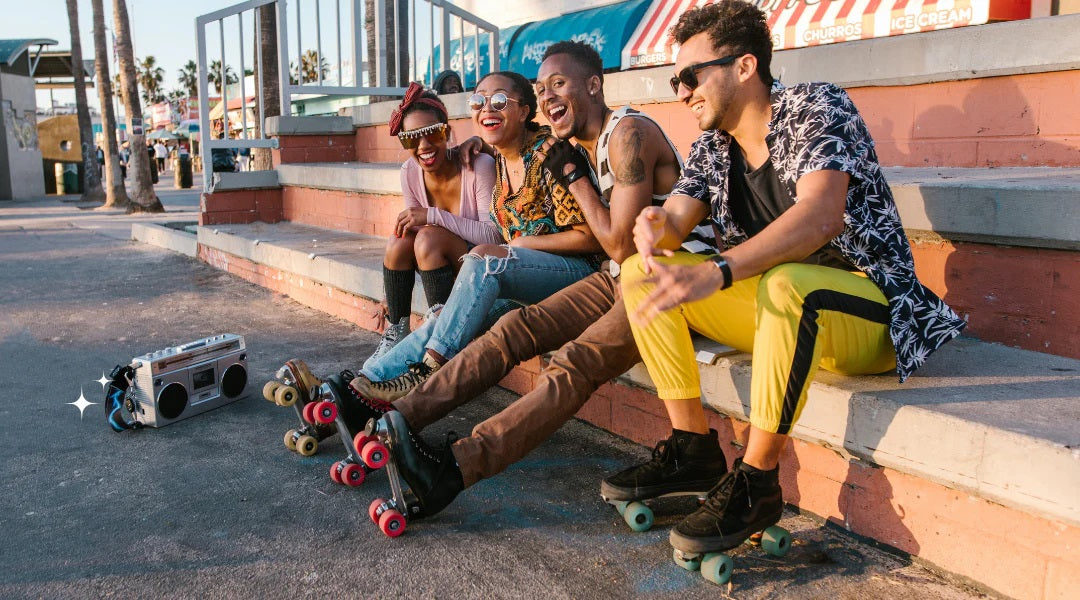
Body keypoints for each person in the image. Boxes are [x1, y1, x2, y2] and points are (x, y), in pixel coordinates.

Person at [619, 1, 966, 557]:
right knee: (639, 275)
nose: (681, 92)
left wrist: (722, 269)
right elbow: (676, 219)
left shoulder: (815, 106)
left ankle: (757, 481)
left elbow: (822, 215)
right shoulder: (715, 144)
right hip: (786, 316)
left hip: (871, 312)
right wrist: (655, 227)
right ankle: (692, 449)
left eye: (690, 76)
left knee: (788, 284)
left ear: (744, 67)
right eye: (674, 80)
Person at [363, 41, 719, 521]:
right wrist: (475, 142)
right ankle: (397, 421)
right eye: (541, 88)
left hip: (667, 283)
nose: (549, 97)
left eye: (560, 84)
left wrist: (573, 178)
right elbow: (518, 136)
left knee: (572, 365)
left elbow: (616, 245)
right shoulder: (577, 143)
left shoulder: (628, 133)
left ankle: (450, 472)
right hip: (618, 280)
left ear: (594, 85)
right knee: (513, 329)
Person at [351, 70, 603, 401]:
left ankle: (429, 370)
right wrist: (479, 141)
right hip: (519, 277)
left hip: (574, 274)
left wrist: (522, 244)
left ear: (524, 110)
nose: (487, 108)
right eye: (478, 101)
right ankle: (361, 386)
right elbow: (490, 142)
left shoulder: (551, 155)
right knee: (441, 319)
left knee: (484, 258)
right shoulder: (498, 159)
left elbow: (590, 239)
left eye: (499, 100)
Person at [368, 82, 502, 365]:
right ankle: (397, 331)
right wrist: (389, 297)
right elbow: (409, 233)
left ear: (448, 132)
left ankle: (442, 336)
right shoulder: (410, 172)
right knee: (400, 238)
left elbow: (493, 236)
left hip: (477, 270)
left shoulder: (478, 166)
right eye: (411, 139)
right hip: (435, 269)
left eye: (433, 133)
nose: (424, 146)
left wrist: (432, 215)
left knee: (428, 235)